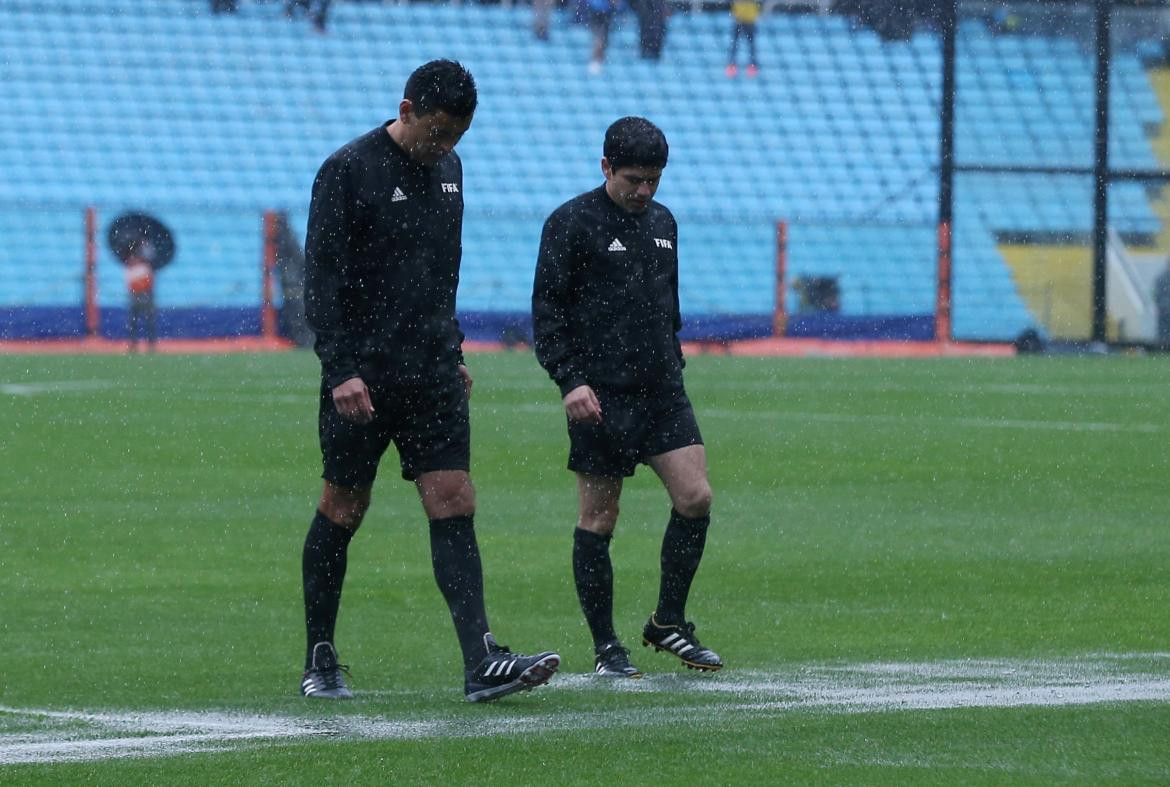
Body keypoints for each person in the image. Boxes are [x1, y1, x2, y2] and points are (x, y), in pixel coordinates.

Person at [301, 59, 560, 702]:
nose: (444, 148)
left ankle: (480, 661)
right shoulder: (347, 169)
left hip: (433, 372)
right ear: (407, 109)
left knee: (455, 500)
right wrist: (341, 370)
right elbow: (322, 280)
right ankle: (320, 654)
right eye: (437, 133)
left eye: (456, 137)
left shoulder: (449, 169)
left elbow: (440, 270)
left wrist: (455, 350)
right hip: (364, 377)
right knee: (344, 506)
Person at [532, 117, 723, 679]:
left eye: (654, 181)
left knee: (696, 497)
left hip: (662, 390)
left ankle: (668, 622)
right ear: (606, 167)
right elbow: (547, 314)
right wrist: (570, 380)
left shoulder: (664, 222)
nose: (645, 192)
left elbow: (668, 303)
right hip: (600, 397)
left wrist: (674, 356)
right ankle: (606, 647)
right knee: (599, 517)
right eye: (634, 179)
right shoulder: (571, 223)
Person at [125, 238, 157, 353]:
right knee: (135, 321)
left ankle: (150, 343)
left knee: (148, 321)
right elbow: (131, 284)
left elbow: (148, 282)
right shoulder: (133, 268)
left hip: (144, 295)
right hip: (138, 295)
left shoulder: (143, 267)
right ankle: (134, 343)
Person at [726, 0, 760, 78]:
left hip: (749, 20)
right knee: (735, 44)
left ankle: (752, 65)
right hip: (739, 19)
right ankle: (732, 64)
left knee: (750, 44)